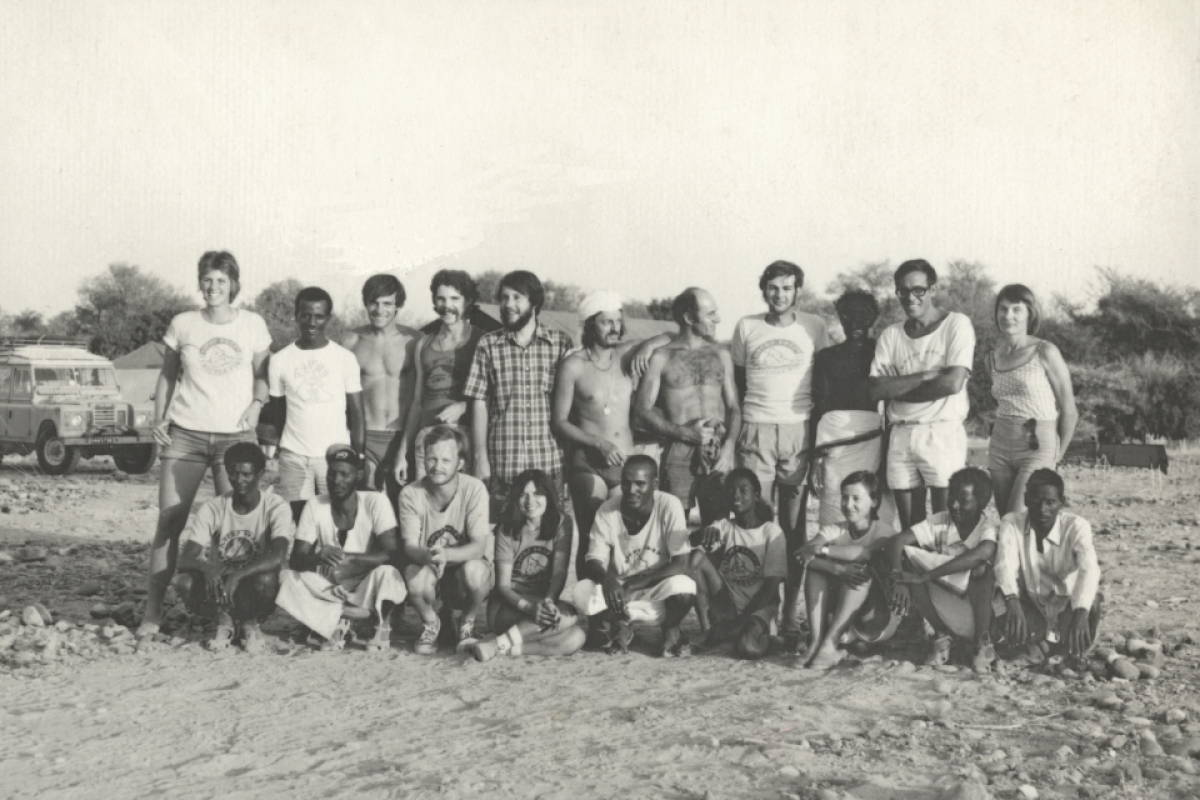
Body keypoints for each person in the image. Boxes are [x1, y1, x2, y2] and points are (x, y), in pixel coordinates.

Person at [140, 251, 273, 642]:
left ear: (234, 283)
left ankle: (234, 615)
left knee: (234, 531)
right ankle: (151, 611)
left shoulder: (252, 324)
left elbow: (263, 377)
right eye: (207, 280)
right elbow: (167, 376)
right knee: (170, 522)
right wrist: (158, 419)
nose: (213, 288)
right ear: (200, 283)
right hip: (187, 434)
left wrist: (257, 405)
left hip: (235, 437)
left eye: (221, 280)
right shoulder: (184, 323)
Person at [870, 260, 976, 529]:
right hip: (901, 432)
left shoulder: (956, 324)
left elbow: (952, 384)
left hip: (941, 432)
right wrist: (924, 377)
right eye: (903, 291)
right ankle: (912, 569)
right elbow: (875, 389)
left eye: (918, 290)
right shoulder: (891, 335)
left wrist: (898, 389)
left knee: (944, 520)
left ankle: (939, 570)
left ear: (933, 289)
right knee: (910, 525)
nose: (910, 297)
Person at [275, 446, 407, 652]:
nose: (337, 481)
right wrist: (318, 557)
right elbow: (297, 560)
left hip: (366, 586)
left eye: (345, 474)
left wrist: (351, 558)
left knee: (389, 574)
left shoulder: (376, 501)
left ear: (359, 475)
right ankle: (353, 616)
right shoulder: (316, 504)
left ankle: (374, 623)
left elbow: (393, 554)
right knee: (287, 578)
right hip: (332, 588)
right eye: (332, 473)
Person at [552, 290, 647, 573]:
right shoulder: (573, 365)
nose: (615, 328)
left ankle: (614, 609)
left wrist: (644, 348)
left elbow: (666, 338)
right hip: (588, 464)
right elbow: (559, 422)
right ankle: (591, 613)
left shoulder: (626, 358)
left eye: (618, 321)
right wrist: (597, 443)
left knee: (622, 536)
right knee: (593, 536)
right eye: (606, 322)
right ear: (590, 324)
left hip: (624, 464)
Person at [463, 270, 572, 505]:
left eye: (516, 298)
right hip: (503, 466)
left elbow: (571, 410)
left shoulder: (560, 344)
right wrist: (480, 458)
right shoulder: (488, 345)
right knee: (502, 537)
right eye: (503, 298)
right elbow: (478, 402)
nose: (508, 304)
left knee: (548, 538)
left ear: (534, 302)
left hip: (549, 465)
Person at [172, 442, 293, 653]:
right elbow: (185, 558)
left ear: (260, 474)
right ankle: (224, 622)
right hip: (221, 586)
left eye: (247, 475)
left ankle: (250, 624)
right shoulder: (213, 507)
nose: (239, 481)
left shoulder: (275, 506)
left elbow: (278, 555)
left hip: (254, 583)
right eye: (234, 474)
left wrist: (238, 575)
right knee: (183, 582)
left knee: (267, 579)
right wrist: (208, 569)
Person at [634, 287, 741, 525]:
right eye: (711, 313)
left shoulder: (721, 354)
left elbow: (733, 406)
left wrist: (730, 446)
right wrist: (684, 432)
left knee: (717, 529)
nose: (718, 319)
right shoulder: (661, 357)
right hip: (679, 450)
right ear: (689, 318)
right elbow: (641, 412)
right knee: (673, 529)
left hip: (717, 448)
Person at [573, 455, 697, 657]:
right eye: (626, 483)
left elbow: (681, 563)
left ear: (655, 484)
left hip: (656, 591)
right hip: (620, 596)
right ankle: (621, 626)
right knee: (582, 591)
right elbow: (594, 560)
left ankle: (671, 629)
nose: (632, 490)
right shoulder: (607, 510)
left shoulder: (669, 505)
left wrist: (634, 584)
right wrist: (607, 580)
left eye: (640, 484)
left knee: (684, 587)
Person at [886, 467, 998, 671]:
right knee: (910, 561)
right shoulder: (940, 521)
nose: (954, 505)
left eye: (963, 501)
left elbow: (983, 553)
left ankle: (983, 644)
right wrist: (898, 579)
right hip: (947, 608)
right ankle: (941, 636)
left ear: (981, 503)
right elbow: (897, 541)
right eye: (951, 498)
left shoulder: (988, 527)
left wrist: (927, 576)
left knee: (981, 570)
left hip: (982, 614)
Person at [269, 286, 366, 520]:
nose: (312, 323)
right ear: (296, 316)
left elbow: (357, 414)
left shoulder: (344, 358)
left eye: (319, 316)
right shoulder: (280, 359)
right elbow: (278, 412)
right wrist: (283, 447)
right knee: (300, 520)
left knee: (334, 518)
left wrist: (359, 458)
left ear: (328, 318)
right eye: (306, 315)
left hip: (335, 457)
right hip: (294, 456)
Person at [471, 469, 586, 661]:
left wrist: (549, 601)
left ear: (549, 496)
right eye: (523, 495)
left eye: (537, 494)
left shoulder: (562, 522)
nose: (530, 501)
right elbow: (503, 586)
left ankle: (498, 646)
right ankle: (498, 641)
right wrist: (529, 608)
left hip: (541, 603)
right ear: (515, 499)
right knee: (571, 616)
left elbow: (559, 572)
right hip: (508, 607)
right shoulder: (507, 528)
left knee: (576, 637)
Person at [398, 425, 492, 654]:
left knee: (475, 572)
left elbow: (479, 546)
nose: (437, 467)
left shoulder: (475, 489)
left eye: (445, 460)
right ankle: (431, 622)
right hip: (431, 567)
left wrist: (447, 554)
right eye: (431, 459)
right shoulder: (410, 493)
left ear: (460, 463)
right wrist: (431, 556)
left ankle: (467, 622)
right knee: (412, 576)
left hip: (462, 568)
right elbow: (410, 546)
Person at [993, 469, 1101, 664]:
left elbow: (1089, 569)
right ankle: (1042, 647)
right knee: (999, 598)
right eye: (1036, 501)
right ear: (1025, 500)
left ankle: (1062, 650)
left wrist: (1082, 611)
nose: (1043, 509)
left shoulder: (1077, 527)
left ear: (1062, 502)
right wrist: (1012, 600)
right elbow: (1004, 563)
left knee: (1092, 603)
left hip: (1067, 609)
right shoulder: (1011, 523)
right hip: (1031, 608)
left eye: (1050, 503)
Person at [988, 284, 1079, 515]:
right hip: (1000, 444)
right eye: (1003, 309)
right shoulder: (992, 358)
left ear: (1030, 313)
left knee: (1018, 520)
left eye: (1016, 310)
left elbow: (1069, 410)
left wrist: (1056, 456)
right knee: (1005, 522)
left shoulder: (1045, 351)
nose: (1008, 316)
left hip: (1037, 444)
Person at [795, 471, 899, 670]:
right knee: (817, 570)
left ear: (874, 502)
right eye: (844, 497)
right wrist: (838, 569)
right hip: (844, 616)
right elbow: (806, 556)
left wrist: (823, 549)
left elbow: (865, 554)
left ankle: (830, 643)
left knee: (861, 572)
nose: (848, 504)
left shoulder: (884, 532)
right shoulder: (835, 529)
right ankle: (818, 642)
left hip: (875, 620)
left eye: (856, 498)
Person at [811, 290, 892, 527]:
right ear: (840, 318)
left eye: (862, 316)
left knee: (874, 510)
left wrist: (888, 458)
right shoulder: (827, 357)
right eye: (848, 317)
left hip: (875, 446)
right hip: (833, 451)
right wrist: (814, 460)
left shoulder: (882, 353)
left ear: (873, 318)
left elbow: (889, 407)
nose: (855, 323)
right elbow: (820, 408)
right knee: (835, 506)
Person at [339, 274, 421, 505]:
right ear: (365, 302)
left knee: (401, 507)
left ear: (398, 305)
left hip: (401, 436)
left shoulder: (414, 342)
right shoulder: (350, 342)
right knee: (366, 507)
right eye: (374, 302)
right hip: (364, 437)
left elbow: (420, 397)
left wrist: (406, 447)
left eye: (387, 303)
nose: (379, 309)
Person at [688, 469, 786, 660]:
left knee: (748, 648)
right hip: (729, 603)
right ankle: (707, 630)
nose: (736, 495)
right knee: (696, 559)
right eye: (731, 491)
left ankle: (773, 640)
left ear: (756, 495)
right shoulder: (724, 526)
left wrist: (741, 622)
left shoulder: (771, 532)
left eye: (743, 490)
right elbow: (694, 540)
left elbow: (772, 587)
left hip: (759, 606)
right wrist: (703, 533)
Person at [400, 270, 486, 485]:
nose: (447, 305)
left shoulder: (481, 340)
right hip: (427, 438)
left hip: (464, 437)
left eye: (454, 299)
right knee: (425, 508)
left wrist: (464, 406)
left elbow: (493, 394)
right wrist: (402, 453)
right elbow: (417, 402)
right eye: (441, 298)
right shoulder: (423, 344)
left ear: (467, 302)